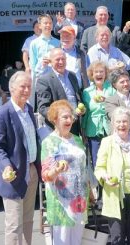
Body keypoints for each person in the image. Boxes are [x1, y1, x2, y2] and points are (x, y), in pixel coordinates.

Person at [0, 71, 40, 245]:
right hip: (13, 175)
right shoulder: (1, 114)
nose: (26, 90)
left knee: (27, 222)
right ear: (11, 88)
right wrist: (6, 167)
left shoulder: (29, 110)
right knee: (14, 225)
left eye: (29, 87)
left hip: (31, 171)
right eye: (22, 87)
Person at [94, 106, 130, 244]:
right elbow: (99, 168)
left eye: (125, 121)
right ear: (113, 124)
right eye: (118, 122)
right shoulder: (106, 142)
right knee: (117, 237)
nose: (122, 125)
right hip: (114, 195)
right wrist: (105, 177)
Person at [41, 99, 90, 245]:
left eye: (71, 117)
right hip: (60, 202)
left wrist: (90, 190)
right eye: (65, 117)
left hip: (79, 200)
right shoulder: (49, 142)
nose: (69, 120)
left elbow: (84, 167)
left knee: (77, 241)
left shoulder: (78, 140)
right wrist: (56, 170)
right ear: (55, 120)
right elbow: (46, 175)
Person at [36, 48, 83, 136]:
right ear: (50, 62)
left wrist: (81, 109)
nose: (61, 62)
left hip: (75, 125)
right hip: (58, 129)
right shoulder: (44, 80)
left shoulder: (72, 76)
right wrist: (59, 119)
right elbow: (43, 108)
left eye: (63, 59)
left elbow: (78, 97)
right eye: (57, 59)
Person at [82, 61, 115, 168]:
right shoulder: (86, 92)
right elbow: (85, 113)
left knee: (110, 160)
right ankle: (99, 184)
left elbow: (116, 109)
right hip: (93, 131)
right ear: (92, 75)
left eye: (102, 72)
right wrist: (83, 131)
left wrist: (107, 101)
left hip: (109, 130)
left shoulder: (112, 90)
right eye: (96, 72)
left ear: (105, 74)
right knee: (96, 162)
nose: (99, 74)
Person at [29, 14, 60, 109]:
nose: (48, 25)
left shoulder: (58, 43)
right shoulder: (34, 43)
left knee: (55, 106)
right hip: (40, 79)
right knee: (42, 106)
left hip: (55, 79)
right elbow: (33, 65)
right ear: (40, 26)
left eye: (50, 23)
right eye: (45, 23)